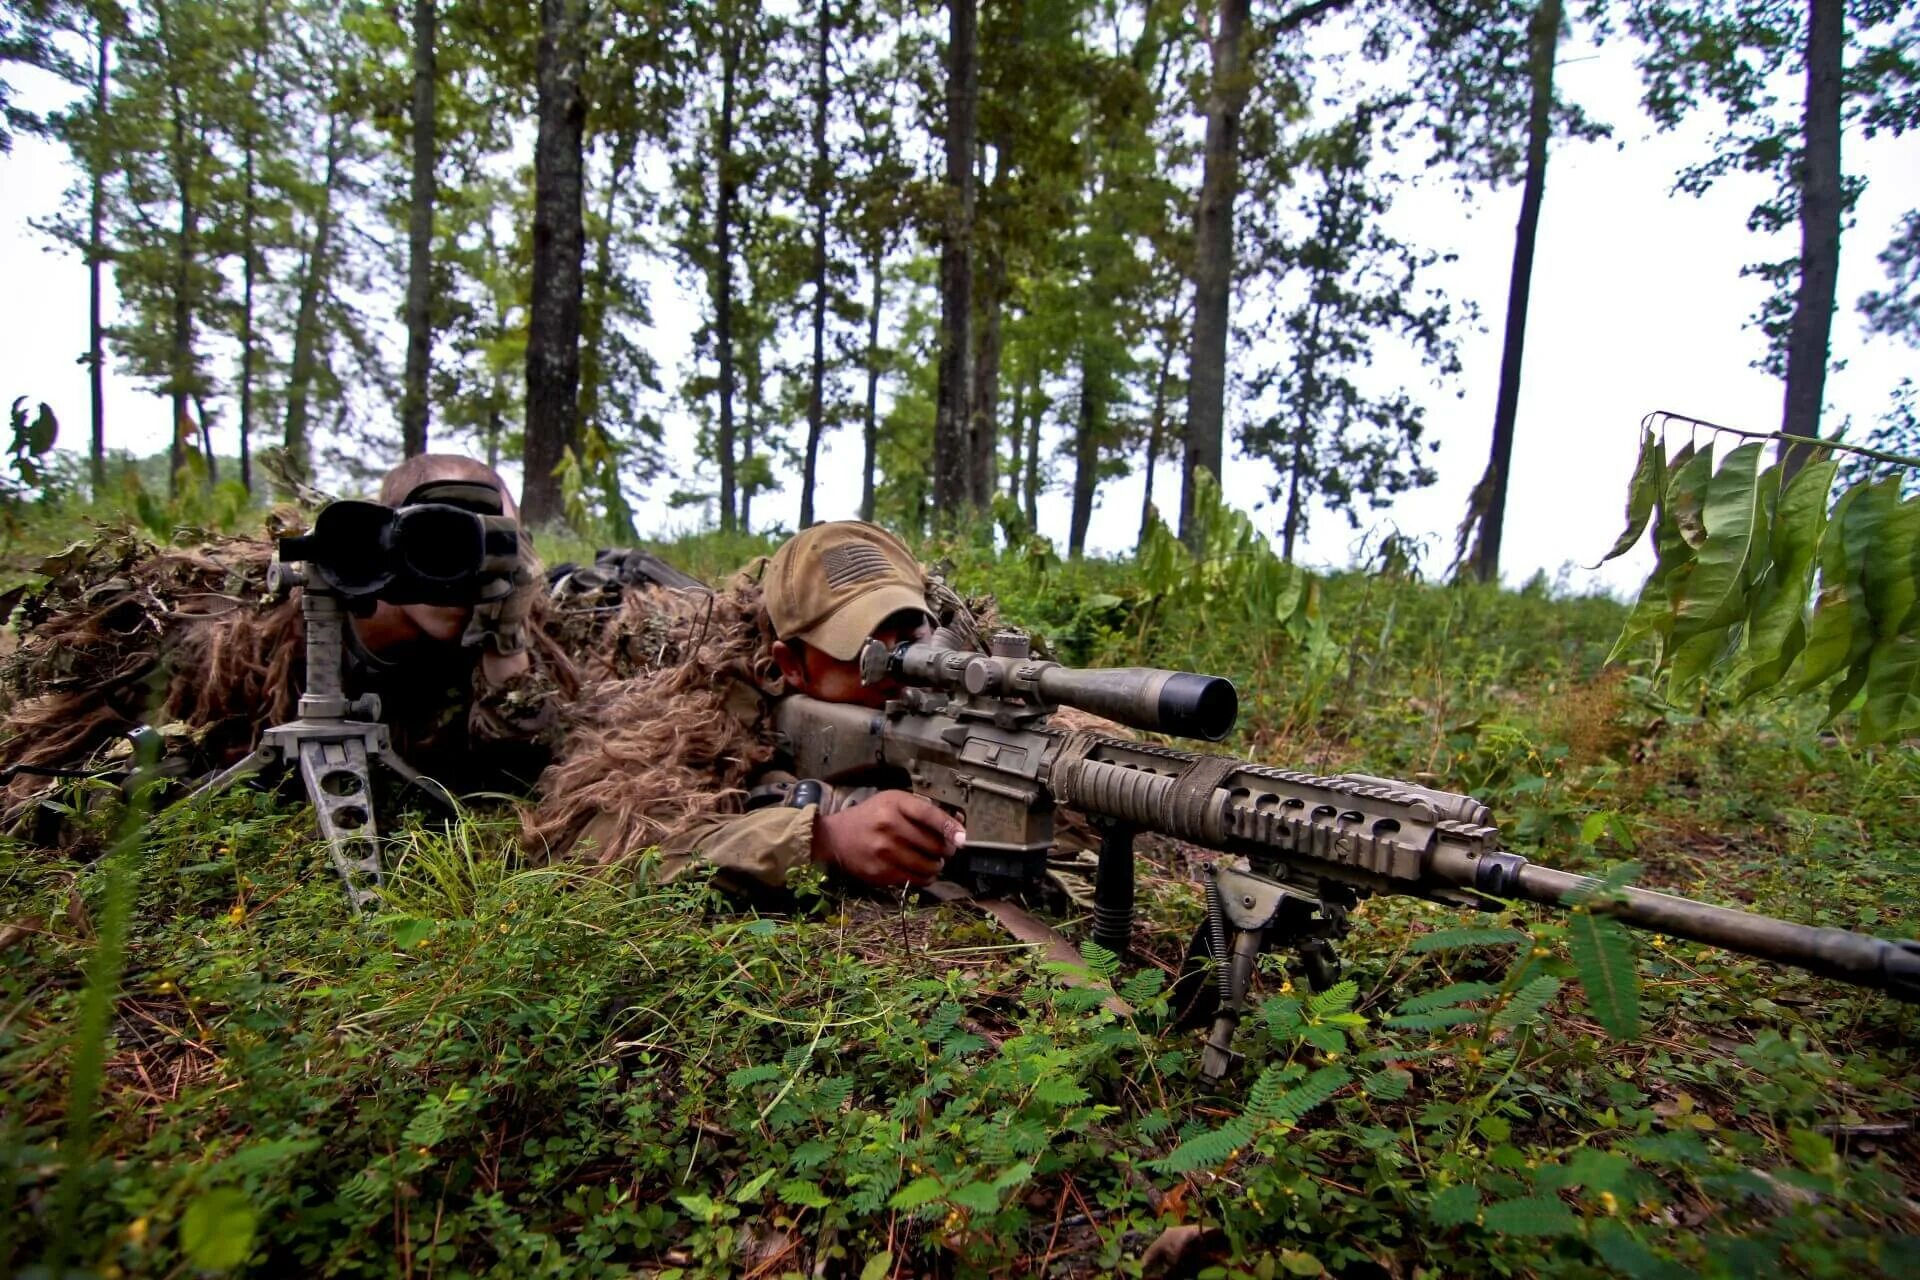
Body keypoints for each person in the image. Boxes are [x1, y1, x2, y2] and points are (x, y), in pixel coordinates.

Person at [0, 454, 575, 830]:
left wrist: (507, 636)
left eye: (490, 544)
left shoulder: (502, 623)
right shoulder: (251, 643)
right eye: (434, 540)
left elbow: (522, 766)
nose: (456, 573)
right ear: (379, 537)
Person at [528, 521, 1000, 891]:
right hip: (609, 636)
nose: (901, 670)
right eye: (866, 653)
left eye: (912, 638)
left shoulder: (967, 687)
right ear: (790, 665)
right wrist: (821, 840)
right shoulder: (706, 710)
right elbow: (597, 839)